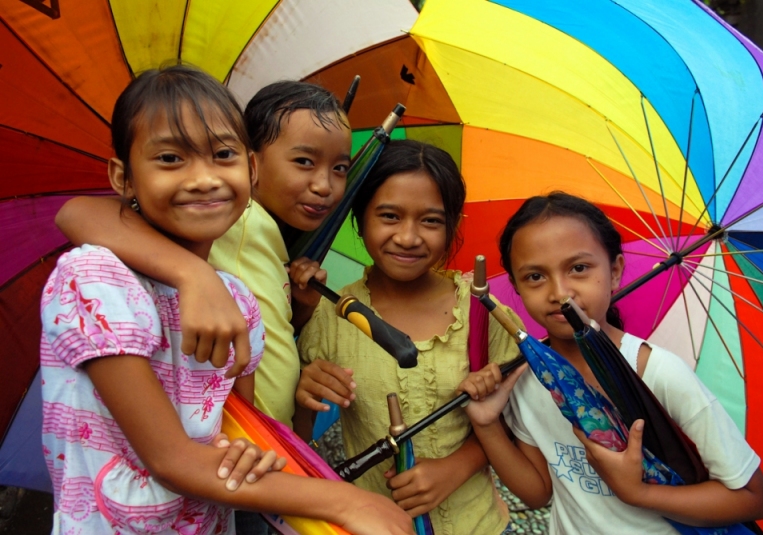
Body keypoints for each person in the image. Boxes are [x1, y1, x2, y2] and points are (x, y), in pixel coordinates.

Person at [40, 64, 413, 535]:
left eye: (222, 154)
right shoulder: (95, 279)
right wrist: (343, 501)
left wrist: (248, 450)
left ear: (249, 168)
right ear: (123, 177)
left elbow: (237, 426)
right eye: (171, 159)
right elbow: (171, 459)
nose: (203, 178)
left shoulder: (238, 298)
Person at [457, 192, 763, 534]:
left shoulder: (658, 374)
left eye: (579, 268)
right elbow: (537, 493)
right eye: (535, 276)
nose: (559, 292)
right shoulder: (525, 376)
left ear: (616, 271)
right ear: (516, 287)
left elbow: (754, 498)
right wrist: (488, 425)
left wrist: (639, 493)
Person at [55, 81, 352, 430]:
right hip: (236, 433)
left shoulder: (269, 232)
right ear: (252, 161)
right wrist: (193, 273)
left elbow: (268, 332)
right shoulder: (229, 211)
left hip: (262, 436)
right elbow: (75, 213)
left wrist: (300, 307)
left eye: (340, 168)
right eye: (303, 161)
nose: (324, 185)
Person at [295, 139, 520, 535]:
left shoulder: (482, 313)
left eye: (430, 220)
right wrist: (305, 393)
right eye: (389, 216)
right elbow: (295, 437)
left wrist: (456, 468)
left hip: (479, 523)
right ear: (360, 220)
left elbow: (518, 423)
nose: (408, 237)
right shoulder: (332, 315)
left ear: (452, 226)